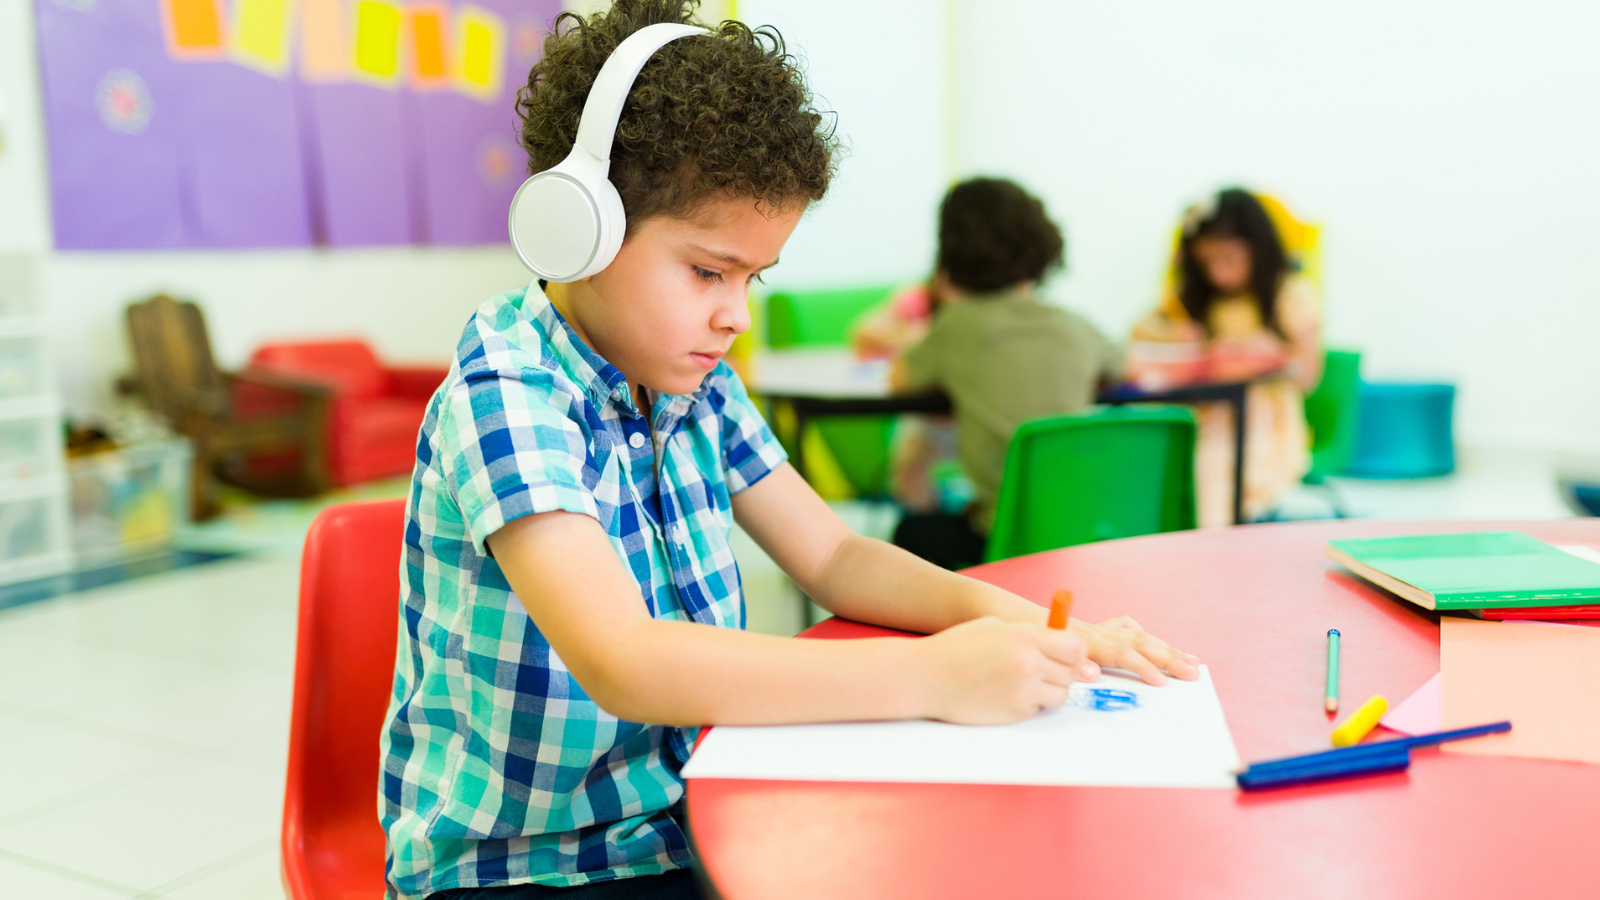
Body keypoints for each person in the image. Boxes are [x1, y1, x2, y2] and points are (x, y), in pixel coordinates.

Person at [380, 5, 1198, 898]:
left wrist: (1026, 626)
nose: (737, 313)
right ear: (580, 232)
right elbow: (625, 659)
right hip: (525, 870)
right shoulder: (506, 391)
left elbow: (837, 555)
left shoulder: (696, 384)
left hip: (688, 821)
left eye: (751, 278)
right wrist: (930, 673)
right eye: (707, 271)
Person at [888, 177, 1124, 570]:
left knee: (910, 531)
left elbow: (899, 379)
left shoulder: (958, 325)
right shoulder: (1075, 326)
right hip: (1082, 533)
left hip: (1000, 540)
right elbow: (1123, 364)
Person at [1128, 188, 1323, 527]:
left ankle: (1213, 541)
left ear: (1258, 250)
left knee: (1215, 464)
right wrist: (1179, 335)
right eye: (1206, 264)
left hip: (1264, 423)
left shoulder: (1289, 293)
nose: (1219, 274)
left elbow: (1308, 375)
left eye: (1229, 260)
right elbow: (1138, 332)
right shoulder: (1199, 300)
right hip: (1207, 415)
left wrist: (1274, 355)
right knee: (1157, 452)